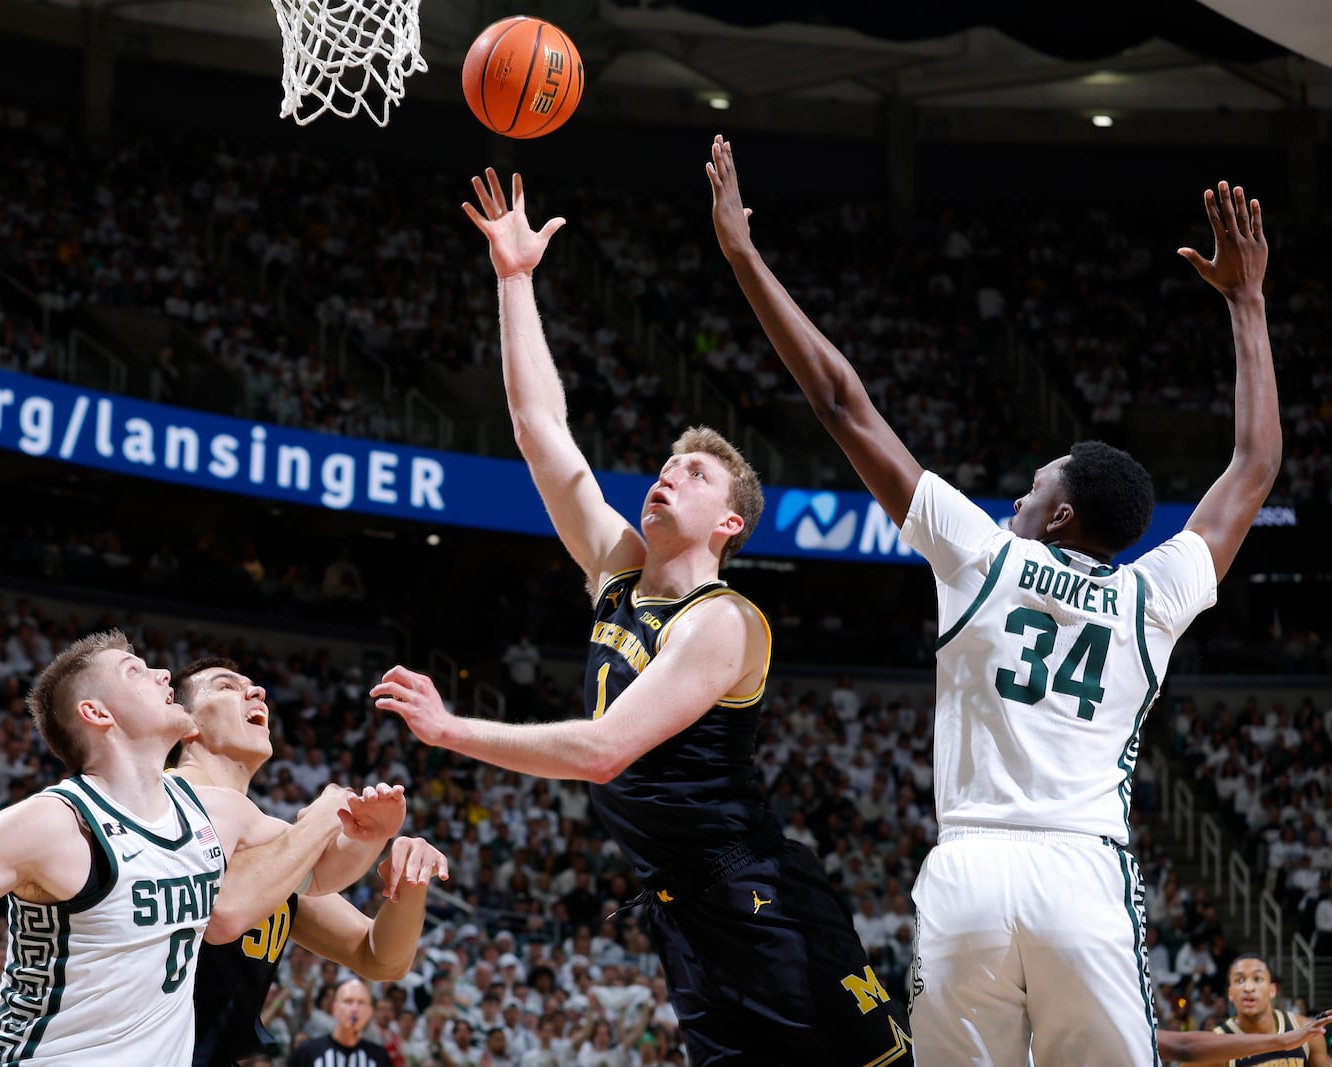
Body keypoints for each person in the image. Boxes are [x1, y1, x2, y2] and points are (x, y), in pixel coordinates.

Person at [705, 136, 1280, 1066]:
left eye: (1030, 488)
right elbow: (1253, 467)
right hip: (1082, 872)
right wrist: (1249, 302)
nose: (1011, 498)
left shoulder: (981, 557)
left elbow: (843, 402)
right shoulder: (1154, 593)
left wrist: (744, 256)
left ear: (1056, 517)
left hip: (969, 873)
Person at [373, 168, 910, 1065]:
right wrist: (514, 281)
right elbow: (542, 431)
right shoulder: (619, 570)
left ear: (730, 522)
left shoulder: (723, 620)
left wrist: (448, 727)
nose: (669, 472)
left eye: (695, 473)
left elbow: (602, 749)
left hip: (761, 900)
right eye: (666, 462)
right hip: (685, 913)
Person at [0, 630, 406, 1066]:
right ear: (97, 713)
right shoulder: (54, 822)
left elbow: (320, 875)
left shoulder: (219, 810)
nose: (161, 672)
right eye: (136, 670)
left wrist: (370, 831)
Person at [169, 658, 449, 1067]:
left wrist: (410, 883)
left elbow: (379, 957)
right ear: (185, 723)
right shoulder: (160, 801)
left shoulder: (273, 843)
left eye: (252, 684)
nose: (256, 691)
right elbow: (223, 910)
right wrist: (322, 818)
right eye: (227, 686)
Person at [1181, 955, 1331, 1067]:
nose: (1248, 988)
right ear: (1230, 993)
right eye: (1239, 980)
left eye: (1257, 979)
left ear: (1272, 990)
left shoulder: (1304, 1029)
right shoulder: (1214, 1045)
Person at [286, 980, 391, 1067]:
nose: (355, 1009)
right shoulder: (307, 1052)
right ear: (334, 1008)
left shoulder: (379, 1056)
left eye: (361, 1003)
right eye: (348, 1001)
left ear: (369, 1012)